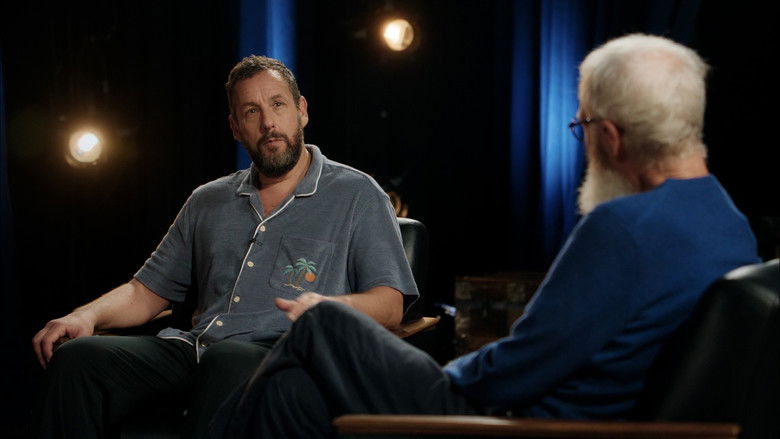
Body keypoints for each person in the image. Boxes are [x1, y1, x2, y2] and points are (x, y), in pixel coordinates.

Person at [207, 34, 761, 438]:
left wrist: (435, 372)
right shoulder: (729, 223)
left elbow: (508, 375)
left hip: (504, 423)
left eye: (582, 127)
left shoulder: (623, 229)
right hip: (564, 415)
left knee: (322, 319)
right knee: (290, 396)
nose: (584, 140)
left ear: (611, 137)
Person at [31, 55, 419, 439]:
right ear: (235, 127)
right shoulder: (208, 200)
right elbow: (145, 292)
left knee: (228, 359)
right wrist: (86, 316)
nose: (268, 122)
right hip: (196, 350)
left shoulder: (357, 194)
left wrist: (331, 307)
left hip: (289, 359)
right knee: (76, 359)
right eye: (251, 111)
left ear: (301, 111)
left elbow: (390, 306)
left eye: (278, 105)